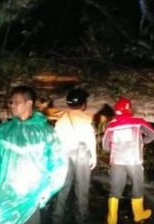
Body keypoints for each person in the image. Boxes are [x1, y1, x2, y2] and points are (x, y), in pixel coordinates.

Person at [0, 85, 67, 224]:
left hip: (30, 202)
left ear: (29, 103)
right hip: (2, 199)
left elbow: (58, 165)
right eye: (11, 102)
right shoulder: (2, 131)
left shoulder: (46, 133)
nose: (12, 106)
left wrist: (46, 192)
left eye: (17, 102)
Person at [102, 96, 154, 224]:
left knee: (115, 190)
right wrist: (142, 141)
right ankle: (138, 215)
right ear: (129, 108)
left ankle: (111, 220)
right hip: (134, 161)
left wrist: (116, 148)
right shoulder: (137, 121)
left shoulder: (111, 125)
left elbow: (105, 146)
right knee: (137, 187)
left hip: (116, 162)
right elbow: (153, 134)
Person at [52, 88, 97, 223]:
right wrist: (94, 156)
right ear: (83, 104)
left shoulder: (62, 119)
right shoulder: (86, 118)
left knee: (63, 186)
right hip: (82, 154)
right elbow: (90, 138)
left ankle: (57, 217)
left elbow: (56, 138)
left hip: (64, 154)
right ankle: (81, 218)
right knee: (82, 187)